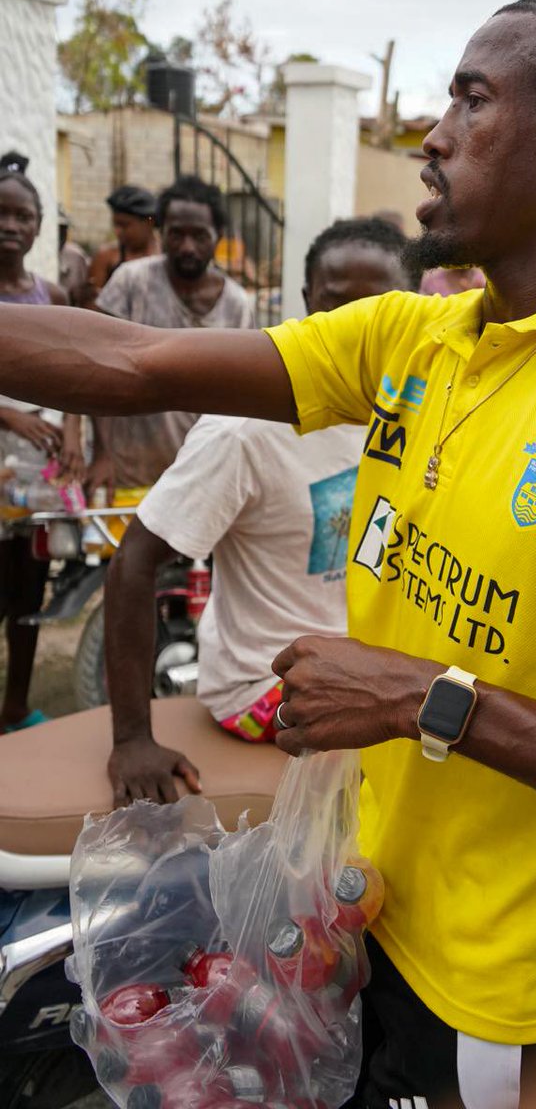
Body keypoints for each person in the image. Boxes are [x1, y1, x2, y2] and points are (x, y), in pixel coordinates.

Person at [0, 0, 536, 1109]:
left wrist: (434, 698)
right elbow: (137, 362)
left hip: (491, 974)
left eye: (470, 100)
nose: (430, 135)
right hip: (361, 895)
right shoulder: (411, 337)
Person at [105, 216, 417, 806]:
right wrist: (130, 739)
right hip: (270, 684)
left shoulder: (410, 407)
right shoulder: (244, 428)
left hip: (361, 658)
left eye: (378, 312)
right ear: (304, 304)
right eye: (336, 305)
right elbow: (134, 560)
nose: (356, 331)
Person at [86, 175, 253, 498]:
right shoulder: (131, 282)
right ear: (162, 233)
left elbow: (241, 397)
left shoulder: (236, 305)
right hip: (128, 471)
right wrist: (102, 454)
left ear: (218, 237)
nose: (188, 246)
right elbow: (97, 369)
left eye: (200, 236)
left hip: (201, 476)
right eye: (177, 234)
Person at [0, 163, 81, 733]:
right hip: (13, 447)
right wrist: (8, 414)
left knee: (27, 592)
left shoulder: (48, 294)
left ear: (38, 228)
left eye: (22, 216)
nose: (10, 225)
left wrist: (72, 431)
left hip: (31, 474)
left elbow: (75, 371)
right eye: (0, 213)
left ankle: (15, 706)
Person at [83, 184, 160, 308]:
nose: (118, 232)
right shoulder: (107, 258)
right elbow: (92, 309)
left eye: (125, 225)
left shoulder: (164, 257)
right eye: (116, 225)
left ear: (149, 222)